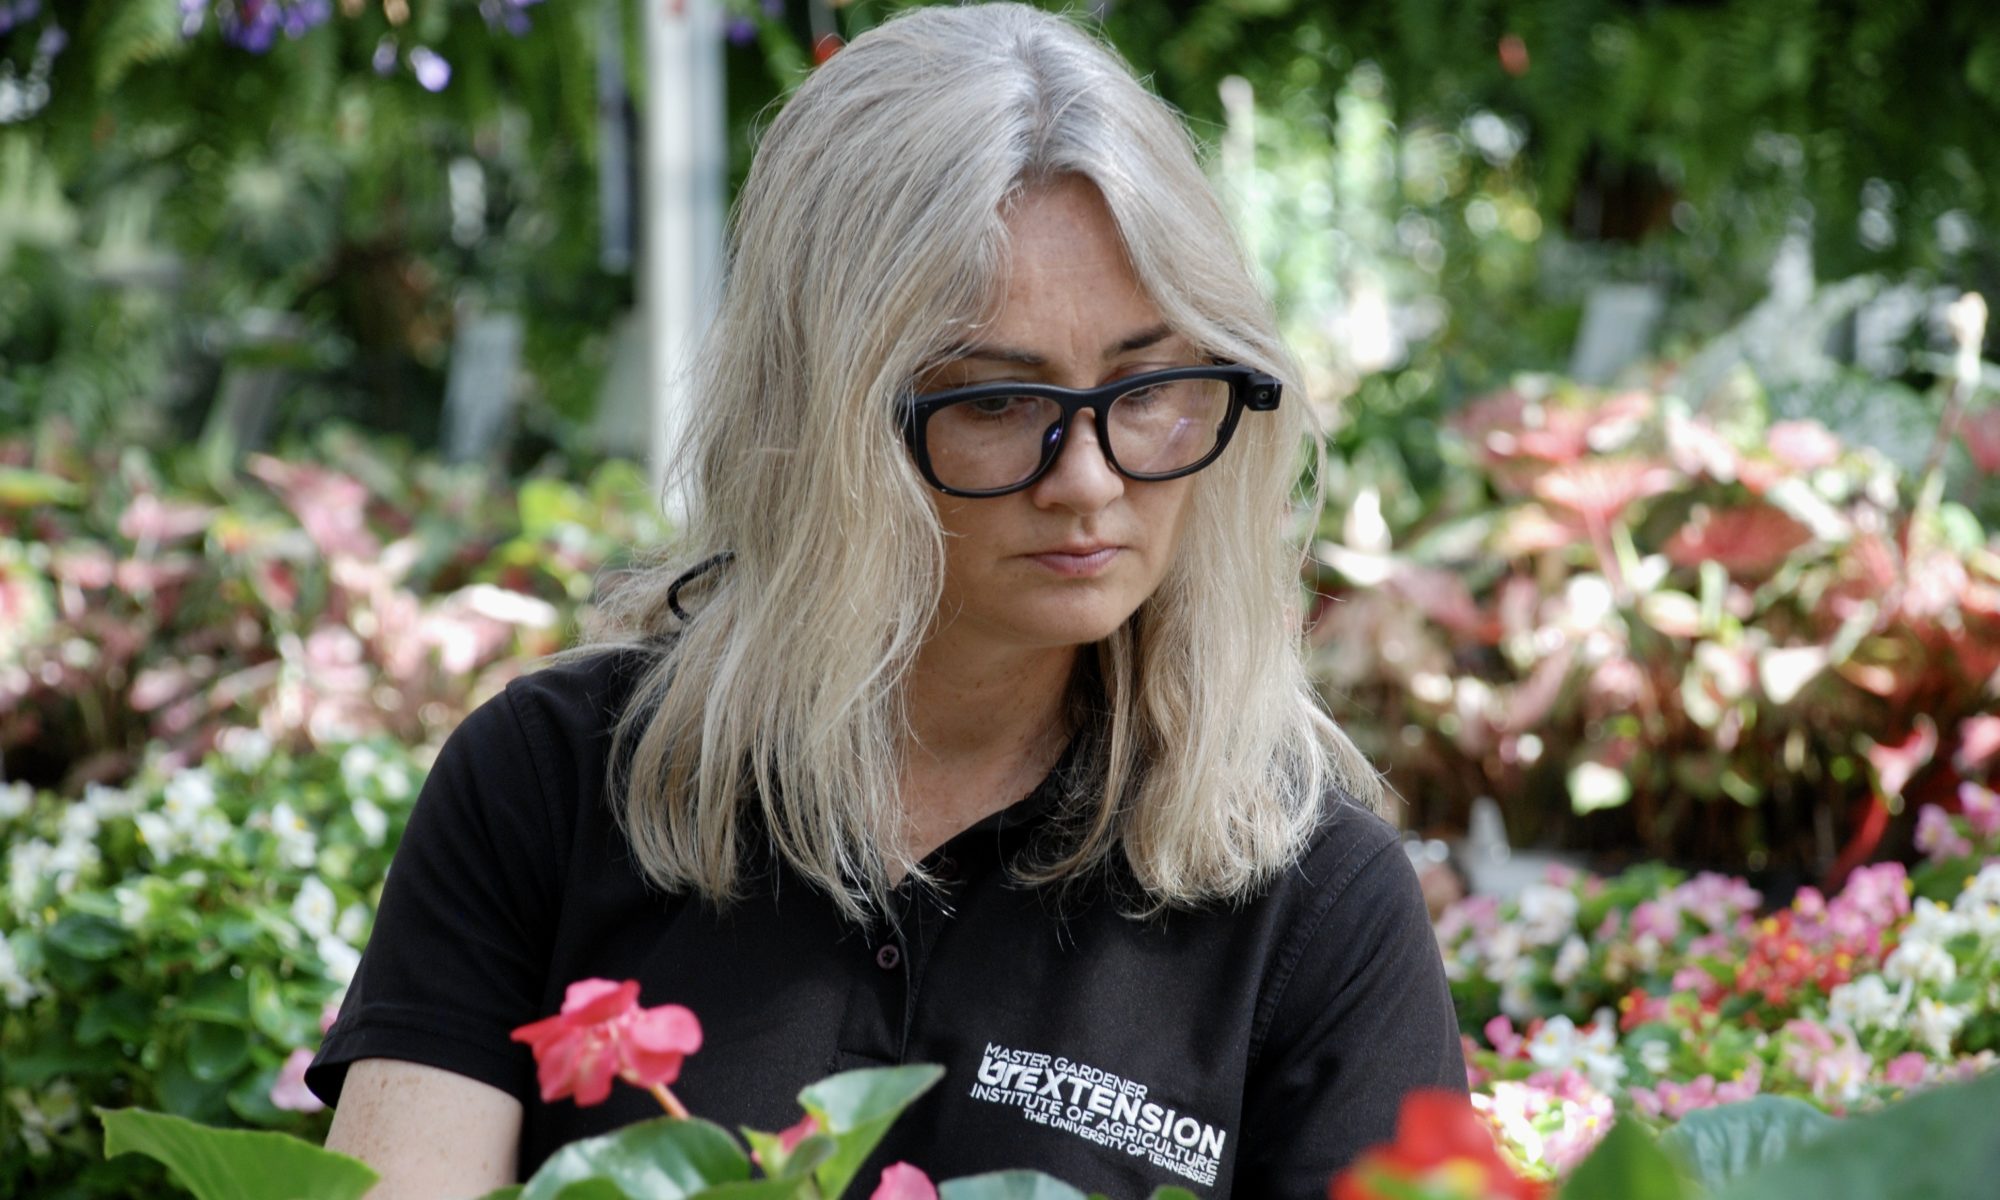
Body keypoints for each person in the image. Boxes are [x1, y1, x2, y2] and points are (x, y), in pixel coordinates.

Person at [307, 5, 1464, 1196]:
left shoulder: (1308, 898)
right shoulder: (548, 791)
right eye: (995, 401)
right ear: (820, 426)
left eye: (1147, 385)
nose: (1089, 480)